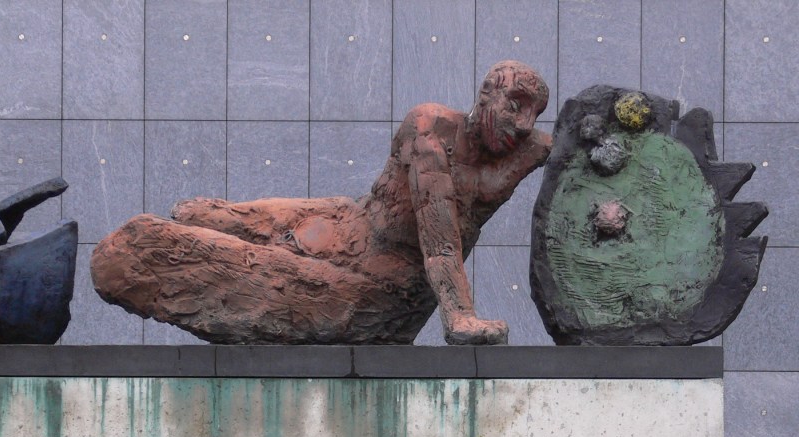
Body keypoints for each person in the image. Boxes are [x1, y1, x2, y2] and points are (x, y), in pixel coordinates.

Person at [91, 60, 551, 345]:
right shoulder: (430, 130)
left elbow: (441, 244)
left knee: (146, 251)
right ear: (485, 96)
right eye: (515, 105)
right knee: (205, 214)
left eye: (534, 113)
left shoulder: (529, 149)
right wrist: (460, 317)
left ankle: (149, 253)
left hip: (384, 285)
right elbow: (439, 237)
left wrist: (461, 318)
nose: (525, 124)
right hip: (351, 220)